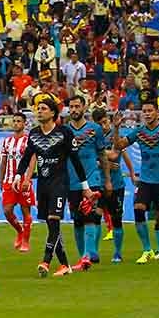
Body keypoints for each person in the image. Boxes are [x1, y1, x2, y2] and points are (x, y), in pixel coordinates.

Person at [14, 95, 94, 277]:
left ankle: (45, 261)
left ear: (53, 113)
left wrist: (85, 187)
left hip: (59, 183)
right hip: (42, 184)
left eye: (43, 108)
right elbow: (27, 156)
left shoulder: (64, 132)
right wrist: (19, 174)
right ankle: (65, 265)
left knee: (54, 220)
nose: (39, 111)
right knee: (52, 226)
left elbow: (76, 161)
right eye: (38, 109)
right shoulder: (34, 133)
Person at [111, 101, 159, 265]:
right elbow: (119, 145)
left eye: (150, 110)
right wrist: (116, 127)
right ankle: (147, 250)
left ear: (156, 112)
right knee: (139, 210)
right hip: (145, 180)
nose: (147, 113)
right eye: (144, 111)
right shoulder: (139, 131)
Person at [65, 95, 109, 268]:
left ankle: (86, 256)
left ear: (84, 107)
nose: (74, 110)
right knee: (77, 219)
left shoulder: (95, 129)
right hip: (71, 181)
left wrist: (106, 179)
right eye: (71, 106)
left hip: (91, 179)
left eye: (77, 106)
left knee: (90, 216)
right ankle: (84, 255)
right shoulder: (64, 131)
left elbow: (102, 155)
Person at [95, 109, 134, 263]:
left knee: (116, 219)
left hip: (116, 183)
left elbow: (115, 155)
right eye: (100, 124)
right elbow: (90, 157)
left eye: (105, 122)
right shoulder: (92, 137)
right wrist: (100, 161)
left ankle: (117, 252)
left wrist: (131, 173)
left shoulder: (114, 136)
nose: (104, 126)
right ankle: (93, 252)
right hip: (98, 183)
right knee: (95, 217)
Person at [0, 112, 32, 252]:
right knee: (7, 211)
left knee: (26, 212)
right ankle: (19, 231)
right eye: (14, 121)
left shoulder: (29, 140)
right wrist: (1, 179)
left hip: (23, 180)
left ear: (24, 124)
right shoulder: (7, 141)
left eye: (19, 121)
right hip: (9, 180)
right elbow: (4, 161)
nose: (16, 123)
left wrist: (28, 179)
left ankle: (25, 241)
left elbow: (32, 161)